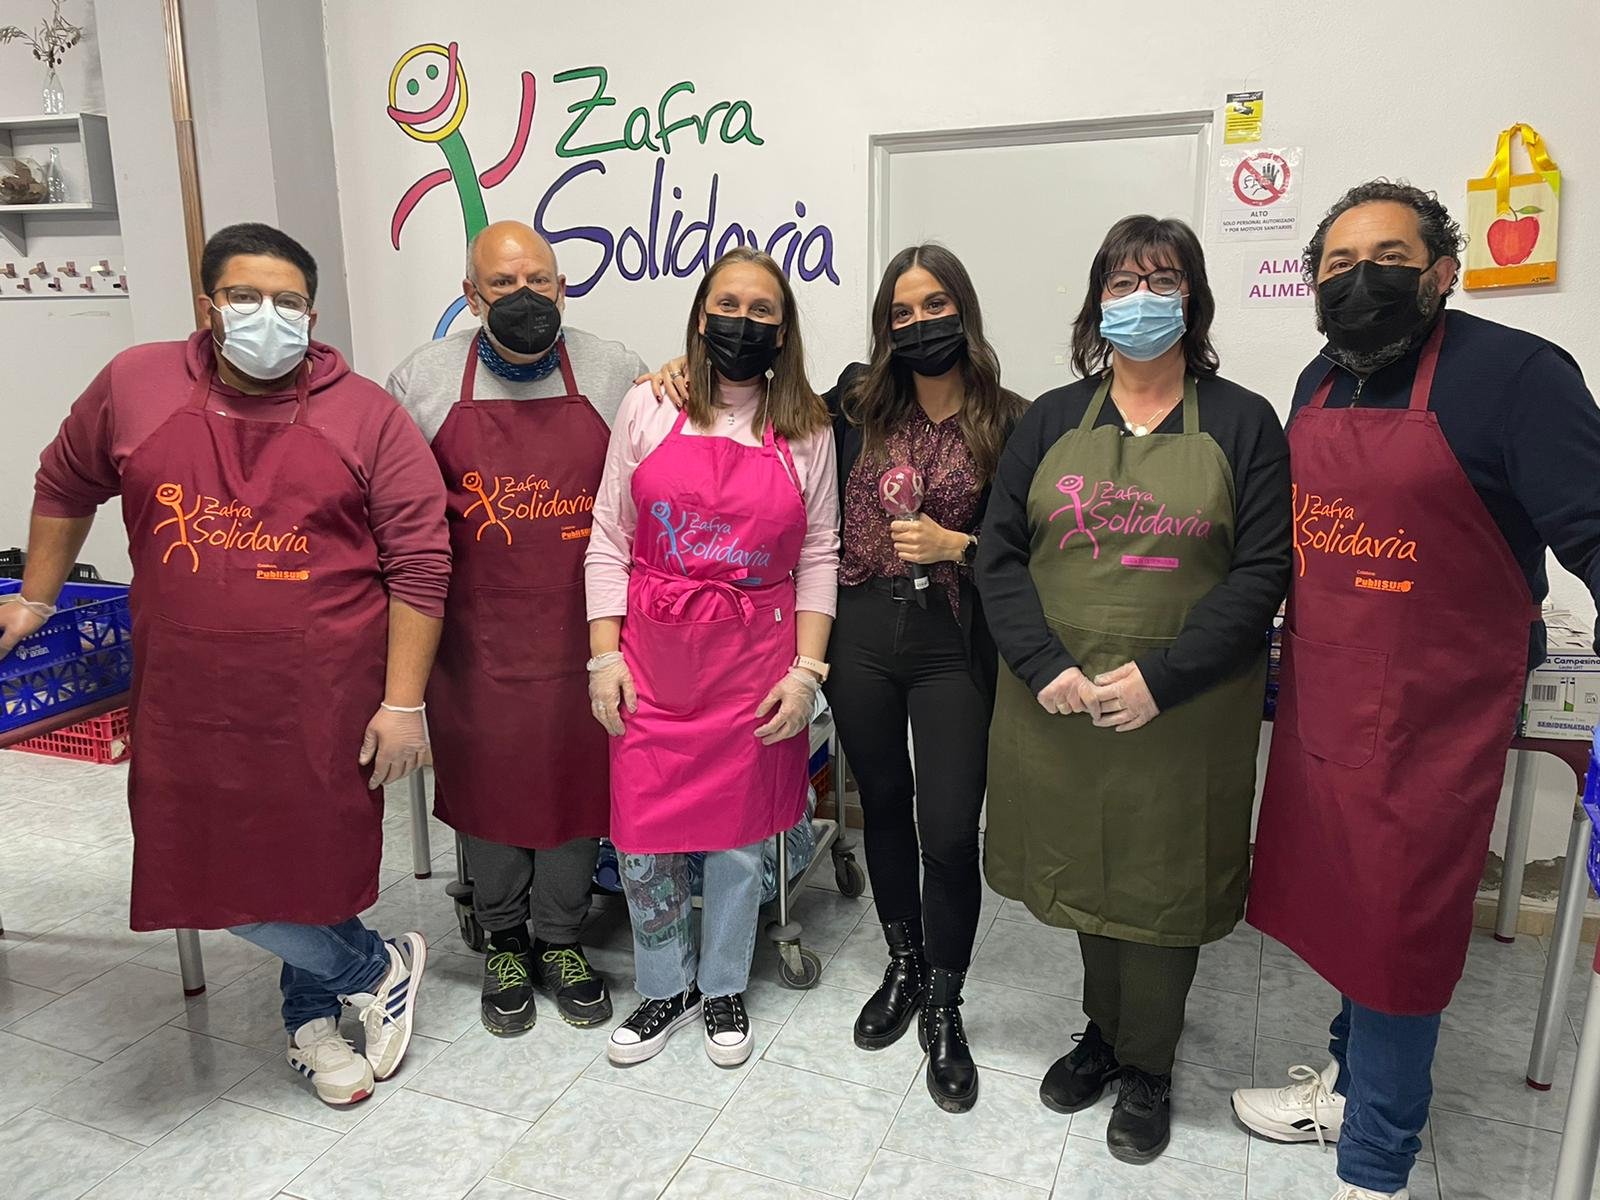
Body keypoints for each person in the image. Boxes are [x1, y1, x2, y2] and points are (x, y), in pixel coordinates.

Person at [0, 223, 448, 1107]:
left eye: (289, 302)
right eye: (245, 297)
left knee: (314, 862)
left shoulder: (365, 414)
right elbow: (64, 482)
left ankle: (311, 1022)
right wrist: (37, 600)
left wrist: (403, 705)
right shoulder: (136, 385)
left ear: (313, 315)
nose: (266, 316)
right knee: (196, 869)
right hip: (186, 695)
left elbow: (421, 562)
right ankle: (372, 966)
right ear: (208, 304)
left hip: (322, 690)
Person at [1231, 181, 1600, 1200]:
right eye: (1339, 265)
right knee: (1350, 906)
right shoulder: (1318, 381)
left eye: (1388, 259)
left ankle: (1375, 1163)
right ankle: (1352, 1086)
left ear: (1442, 272)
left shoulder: (1516, 376)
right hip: (1328, 687)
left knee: (1399, 925)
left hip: (1437, 706)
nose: (1361, 281)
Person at [650, 244, 1026, 1111]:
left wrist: (959, 544)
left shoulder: (1012, 420)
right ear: (885, 327)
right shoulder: (857, 399)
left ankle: (945, 1002)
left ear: (964, 311)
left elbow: (1027, 546)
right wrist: (682, 370)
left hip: (951, 643)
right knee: (881, 804)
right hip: (859, 635)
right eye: (902, 312)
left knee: (947, 827)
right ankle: (904, 963)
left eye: (935, 306)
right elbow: (760, 401)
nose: (920, 323)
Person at [977, 215, 1291, 1162]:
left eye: (1161, 281)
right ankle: (1104, 1034)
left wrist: (1162, 676)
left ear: (1193, 299)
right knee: (1085, 869)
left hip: (1184, 709)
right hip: (1064, 702)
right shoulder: (1049, 421)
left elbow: (1262, 571)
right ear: (1097, 303)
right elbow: (998, 556)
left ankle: (1148, 1062)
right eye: (1121, 284)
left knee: (1162, 880)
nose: (1140, 299)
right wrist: (1043, 665)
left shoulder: (1243, 421)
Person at [387, 221, 647, 1035]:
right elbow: (394, 517)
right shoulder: (422, 383)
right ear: (471, 296)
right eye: (503, 284)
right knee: (489, 788)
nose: (524, 296)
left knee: (578, 786)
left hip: (587, 634)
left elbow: (655, 481)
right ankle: (502, 940)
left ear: (563, 287)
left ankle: (561, 939)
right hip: (475, 641)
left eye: (539, 280)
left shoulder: (616, 372)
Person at [585, 247, 839, 1068]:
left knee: (737, 837)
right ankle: (665, 987)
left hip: (754, 662)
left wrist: (805, 673)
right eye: (728, 305)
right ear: (701, 316)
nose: (743, 322)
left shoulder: (808, 429)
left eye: (763, 311)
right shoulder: (647, 406)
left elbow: (820, 554)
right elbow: (609, 537)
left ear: (783, 331)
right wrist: (602, 658)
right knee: (643, 835)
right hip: (652, 659)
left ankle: (724, 982)